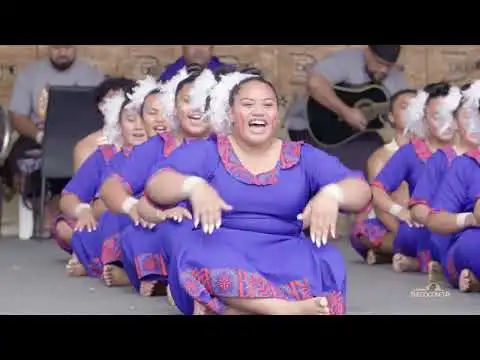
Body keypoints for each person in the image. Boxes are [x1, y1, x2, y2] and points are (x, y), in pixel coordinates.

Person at [145, 67, 371, 315]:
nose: (258, 112)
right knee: (195, 251)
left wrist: (332, 194)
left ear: (276, 114)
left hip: (285, 250)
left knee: (327, 259)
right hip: (221, 249)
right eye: (248, 104)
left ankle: (233, 309)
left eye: (267, 105)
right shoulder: (208, 151)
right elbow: (157, 185)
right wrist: (193, 186)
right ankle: (284, 310)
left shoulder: (302, 156)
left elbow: (360, 190)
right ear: (231, 113)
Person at [103, 66, 215, 291]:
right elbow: (111, 187)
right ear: (174, 108)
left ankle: (177, 282)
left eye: (202, 101)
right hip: (160, 221)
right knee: (136, 235)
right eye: (187, 100)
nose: (195, 108)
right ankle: (180, 282)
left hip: (213, 223)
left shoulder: (226, 144)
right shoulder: (158, 145)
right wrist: (136, 208)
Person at [5, 45, 105, 234]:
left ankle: (66, 208)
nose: (62, 52)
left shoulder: (93, 76)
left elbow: (102, 114)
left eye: (67, 47)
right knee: (20, 158)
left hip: (81, 138)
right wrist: (39, 135)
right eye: (56, 47)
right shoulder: (30, 75)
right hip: (38, 135)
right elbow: (17, 116)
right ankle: (41, 207)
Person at [371, 83, 460, 274]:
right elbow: (377, 189)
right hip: (423, 226)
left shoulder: (468, 149)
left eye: (451, 115)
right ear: (424, 119)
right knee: (411, 234)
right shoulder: (410, 152)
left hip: (461, 223)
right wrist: (400, 212)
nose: (447, 123)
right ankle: (432, 263)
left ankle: (419, 263)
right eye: (437, 116)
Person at [66, 86, 151, 277]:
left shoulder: (163, 152)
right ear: (119, 124)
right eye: (130, 119)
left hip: (148, 219)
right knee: (80, 231)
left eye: (143, 119)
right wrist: (83, 209)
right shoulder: (107, 154)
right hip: (114, 217)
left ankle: (119, 270)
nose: (138, 126)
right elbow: (71, 194)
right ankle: (107, 264)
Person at [285, 45, 409, 173]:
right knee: (357, 166)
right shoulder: (347, 60)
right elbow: (315, 83)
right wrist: (345, 112)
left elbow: (404, 105)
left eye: (388, 66)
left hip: (354, 135)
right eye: (379, 63)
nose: (383, 70)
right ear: (367, 52)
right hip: (310, 128)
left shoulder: (395, 76)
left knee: (383, 156)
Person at [409, 82, 478, 281]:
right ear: (455, 121)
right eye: (467, 116)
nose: (473, 124)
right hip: (451, 229)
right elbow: (422, 209)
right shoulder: (447, 159)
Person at [350, 89, 416, 265]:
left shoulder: (432, 152)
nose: (411, 112)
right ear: (391, 117)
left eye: (416, 107)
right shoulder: (380, 157)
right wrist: (402, 233)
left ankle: (387, 253)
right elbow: (380, 206)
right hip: (390, 222)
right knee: (364, 232)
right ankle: (407, 250)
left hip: (422, 219)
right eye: (404, 107)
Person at [73, 77, 137, 171]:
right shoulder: (87, 147)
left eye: (123, 99)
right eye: (111, 100)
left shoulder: (145, 141)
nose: (117, 105)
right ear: (100, 106)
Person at [159, 46, 229, 82]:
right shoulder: (167, 78)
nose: (198, 49)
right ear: (183, 48)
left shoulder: (227, 76)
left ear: (212, 49)